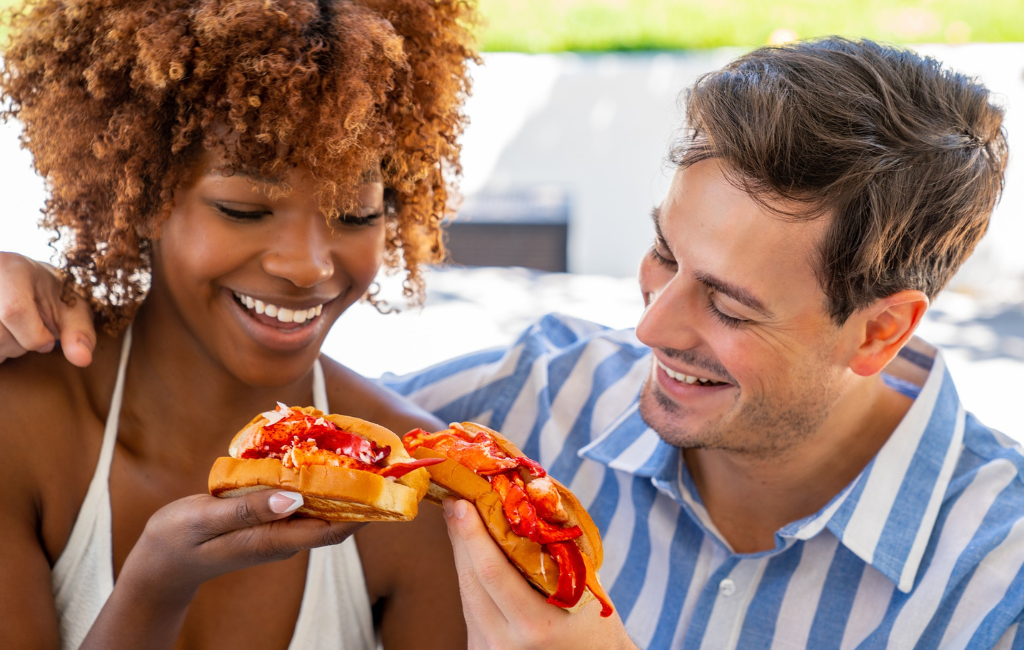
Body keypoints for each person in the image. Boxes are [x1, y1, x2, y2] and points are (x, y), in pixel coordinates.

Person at [4, 38, 1022, 650]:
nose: (650, 328)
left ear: (880, 329)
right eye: (662, 255)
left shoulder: (996, 586)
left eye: (728, 305)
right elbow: (255, 399)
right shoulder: (524, 406)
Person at [0, 0, 483, 647]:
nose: (307, 266)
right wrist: (156, 585)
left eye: (357, 214)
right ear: (140, 193)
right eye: (243, 208)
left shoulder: (408, 487)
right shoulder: (22, 426)